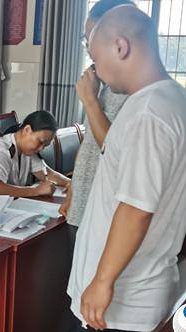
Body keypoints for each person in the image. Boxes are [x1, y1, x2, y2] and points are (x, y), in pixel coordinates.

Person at [66, 5, 186, 332]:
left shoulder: (150, 113)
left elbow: (136, 209)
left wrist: (101, 281)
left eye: (96, 57)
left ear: (121, 47)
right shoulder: (169, 101)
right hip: (135, 290)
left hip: (123, 301)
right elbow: (119, 156)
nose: (96, 71)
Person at [59, 0, 132, 240]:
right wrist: (73, 187)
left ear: (119, 42)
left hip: (105, 212)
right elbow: (91, 140)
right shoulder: (106, 85)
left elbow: (116, 151)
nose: (89, 50)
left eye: (91, 40)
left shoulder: (136, 94)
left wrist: (89, 101)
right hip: (83, 203)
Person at [0, 110, 70, 197]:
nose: (41, 148)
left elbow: (47, 174)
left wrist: (71, 184)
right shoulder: (0, 152)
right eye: (40, 142)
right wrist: (35, 191)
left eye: (45, 146)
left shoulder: (28, 151)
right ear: (27, 130)